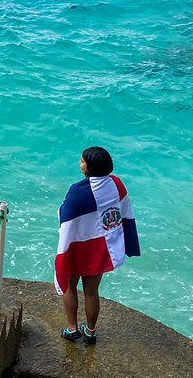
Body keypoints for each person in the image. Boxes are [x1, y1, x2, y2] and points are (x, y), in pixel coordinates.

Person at [54, 146, 139, 344]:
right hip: (101, 249)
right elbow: (124, 211)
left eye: (82, 161)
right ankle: (90, 332)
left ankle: (72, 329)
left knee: (69, 286)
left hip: (78, 247)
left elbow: (66, 216)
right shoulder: (116, 184)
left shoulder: (78, 190)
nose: (79, 163)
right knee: (92, 292)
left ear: (90, 167)